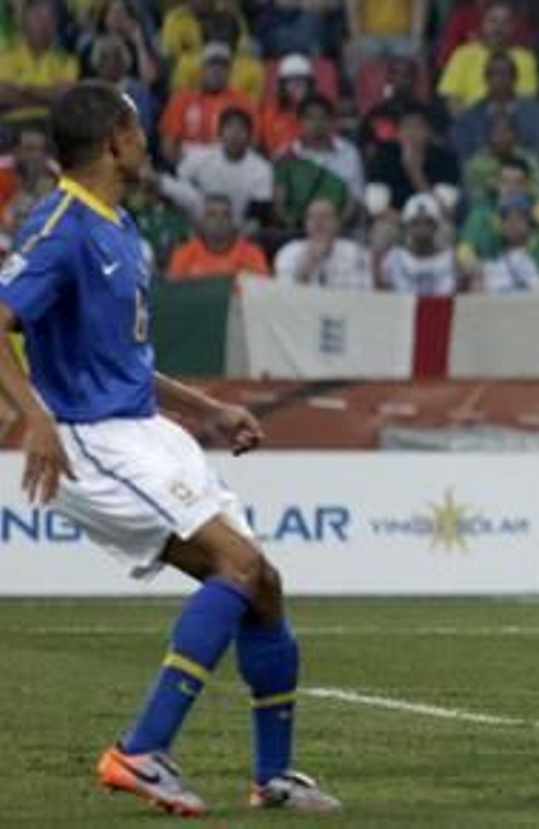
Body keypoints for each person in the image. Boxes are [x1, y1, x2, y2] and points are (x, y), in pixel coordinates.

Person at [0, 82, 338, 814]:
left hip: (145, 428)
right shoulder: (60, 226)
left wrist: (209, 407)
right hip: (97, 440)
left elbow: (124, 359)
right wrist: (34, 417)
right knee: (238, 564)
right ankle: (141, 747)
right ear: (115, 140)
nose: (148, 141)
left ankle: (273, 777)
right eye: (138, 129)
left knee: (263, 582)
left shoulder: (118, 225)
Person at [274, 197, 372, 289]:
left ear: (337, 223)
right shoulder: (289, 252)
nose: (318, 222)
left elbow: (364, 292)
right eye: (312, 217)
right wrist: (305, 270)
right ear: (305, 224)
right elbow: (284, 296)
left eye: (325, 217)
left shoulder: (356, 253)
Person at [166, 193, 269, 280]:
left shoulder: (253, 254)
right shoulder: (183, 254)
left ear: (233, 222)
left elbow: (262, 295)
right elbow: (174, 296)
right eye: (212, 215)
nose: (220, 220)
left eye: (226, 215)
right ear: (202, 221)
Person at [379, 192, 458, 295]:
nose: (422, 229)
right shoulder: (394, 259)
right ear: (407, 226)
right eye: (415, 223)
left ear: (436, 226)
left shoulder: (450, 259)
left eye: (428, 222)